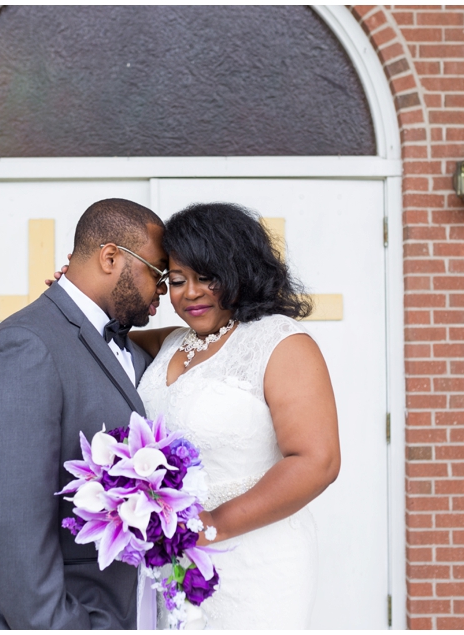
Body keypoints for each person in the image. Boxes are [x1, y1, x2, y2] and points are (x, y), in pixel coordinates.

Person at [0, 198, 170, 629]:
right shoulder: (27, 344)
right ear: (111, 257)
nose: (164, 293)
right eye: (159, 274)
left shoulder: (135, 351)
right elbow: (9, 520)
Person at [130, 202, 341, 628]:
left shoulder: (280, 343)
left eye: (207, 277)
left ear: (239, 269)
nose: (190, 292)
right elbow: (102, 336)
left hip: (253, 557)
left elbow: (317, 462)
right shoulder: (170, 342)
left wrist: (210, 527)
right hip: (173, 560)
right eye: (176, 280)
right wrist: (74, 295)